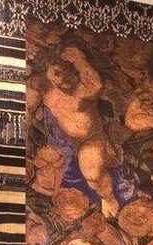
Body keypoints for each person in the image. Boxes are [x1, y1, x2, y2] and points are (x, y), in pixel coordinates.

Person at [40, 47, 120, 217]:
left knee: (93, 176)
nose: (63, 78)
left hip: (91, 139)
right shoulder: (48, 93)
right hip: (63, 141)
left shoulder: (82, 90)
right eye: (57, 73)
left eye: (68, 72)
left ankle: (109, 198)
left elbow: (97, 85)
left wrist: (80, 60)